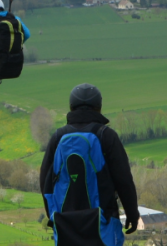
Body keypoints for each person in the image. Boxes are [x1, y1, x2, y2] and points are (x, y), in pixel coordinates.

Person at [40, 84, 139, 245]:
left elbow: (45, 183)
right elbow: (124, 181)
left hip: (65, 227)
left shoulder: (58, 137)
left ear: (71, 107)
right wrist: (132, 214)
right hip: (102, 226)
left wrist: (54, 217)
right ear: (99, 108)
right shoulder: (106, 136)